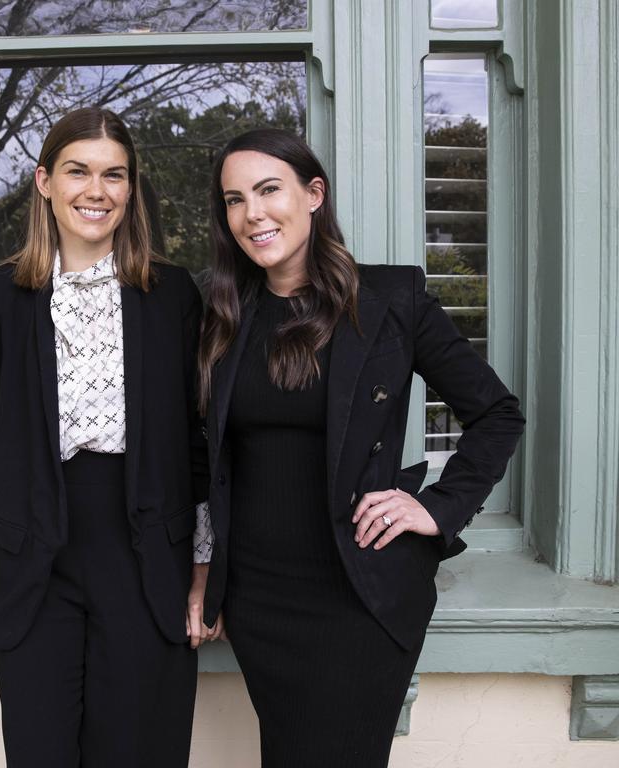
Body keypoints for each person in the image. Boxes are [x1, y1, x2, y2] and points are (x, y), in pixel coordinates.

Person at [197, 128, 524, 766]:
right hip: (259, 600)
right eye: (234, 200)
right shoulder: (221, 313)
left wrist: (437, 506)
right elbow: (199, 456)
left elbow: (496, 414)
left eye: (269, 190)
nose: (253, 214)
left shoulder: (388, 301)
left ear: (313, 194)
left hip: (359, 595)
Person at [0, 107, 216, 768]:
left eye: (113, 175)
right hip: (35, 559)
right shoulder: (0, 297)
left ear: (130, 189)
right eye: (78, 171)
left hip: (145, 557)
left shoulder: (172, 294)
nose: (96, 191)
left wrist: (202, 574)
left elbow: (196, 447)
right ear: (44, 181)